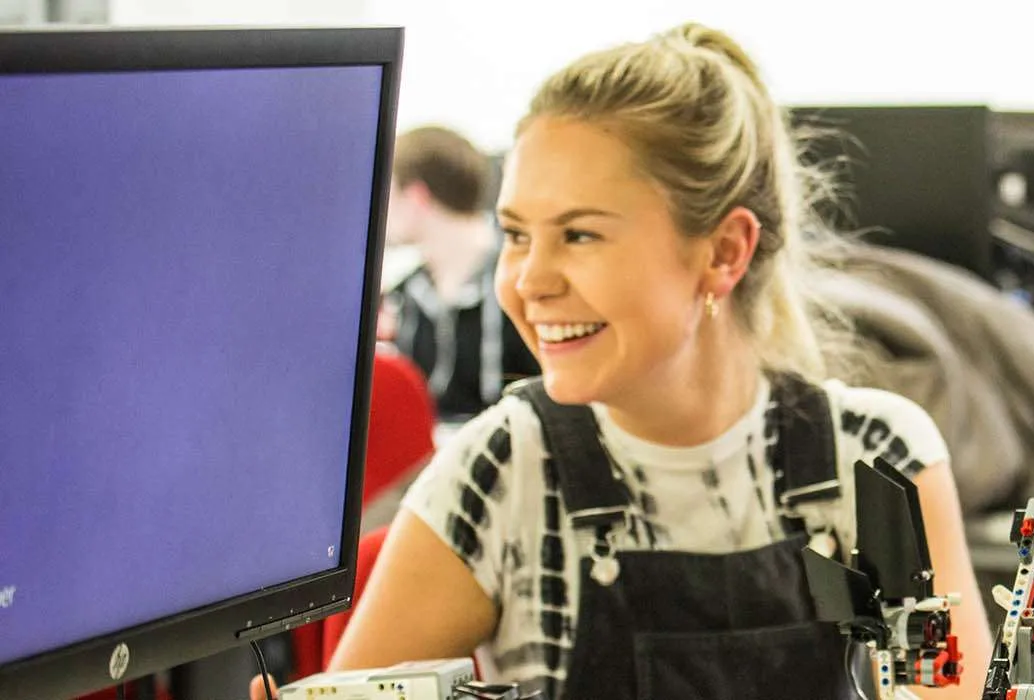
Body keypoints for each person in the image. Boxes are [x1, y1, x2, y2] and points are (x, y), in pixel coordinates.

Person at [257, 23, 990, 700]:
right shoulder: (505, 468)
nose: (527, 281)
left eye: (578, 235)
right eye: (516, 234)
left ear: (724, 251)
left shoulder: (875, 459)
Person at [382, 126, 542, 422]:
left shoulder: (524, 281)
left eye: (387, 192)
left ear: (417, 196)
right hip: (434, 463)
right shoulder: (405, 295)